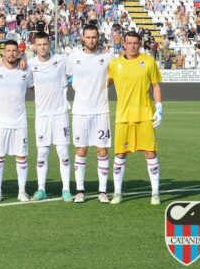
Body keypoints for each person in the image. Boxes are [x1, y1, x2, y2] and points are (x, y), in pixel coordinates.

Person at [108, 31, 162, 205]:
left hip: (145, 115)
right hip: (123, 116)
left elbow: (155, 85)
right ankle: (117, 193)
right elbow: (102, 83)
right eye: (129, 42)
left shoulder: (148, 62)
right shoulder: (115, 64)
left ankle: (155, 193)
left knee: (150, 153)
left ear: (140, 44)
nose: (132, 46)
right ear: (123, 43)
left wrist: (159, 107)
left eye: (135, 43)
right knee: (120, 154)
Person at [66, 25, 113, 203]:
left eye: (94, 37)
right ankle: (80, 190)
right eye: (88, 37)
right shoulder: (73, 57)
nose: (91, 40)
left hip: (101, 111)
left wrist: (102, 86)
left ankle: (102, 191)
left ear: (98, 37)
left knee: (102, 150)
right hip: (80, 111)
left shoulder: (107, 56)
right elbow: (67, 76)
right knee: (81, 149)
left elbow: (114, 76)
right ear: (82, 38)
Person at [29, 31, 73, 202]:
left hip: (60, 113)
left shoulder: (61, 60)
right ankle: (41, 189)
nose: (42, 47)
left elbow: (73, 73)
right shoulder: (31, 64)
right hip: (42, 116)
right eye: (39, 45)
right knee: (42, 153)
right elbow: (30, 84)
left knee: (63, 151)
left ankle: (66, 189)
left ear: (50, 44)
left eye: (45, 44)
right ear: (34, 46)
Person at [0, 40, 33, 202]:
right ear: (3, 53)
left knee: (21, 157)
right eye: (8, 51)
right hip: (1, 123)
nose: (11, 54)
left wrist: (26, 62)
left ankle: (22, 191)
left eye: (14, 51)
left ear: (18, 53)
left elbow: (36, 85)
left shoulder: (26, 71)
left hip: (20, 122)